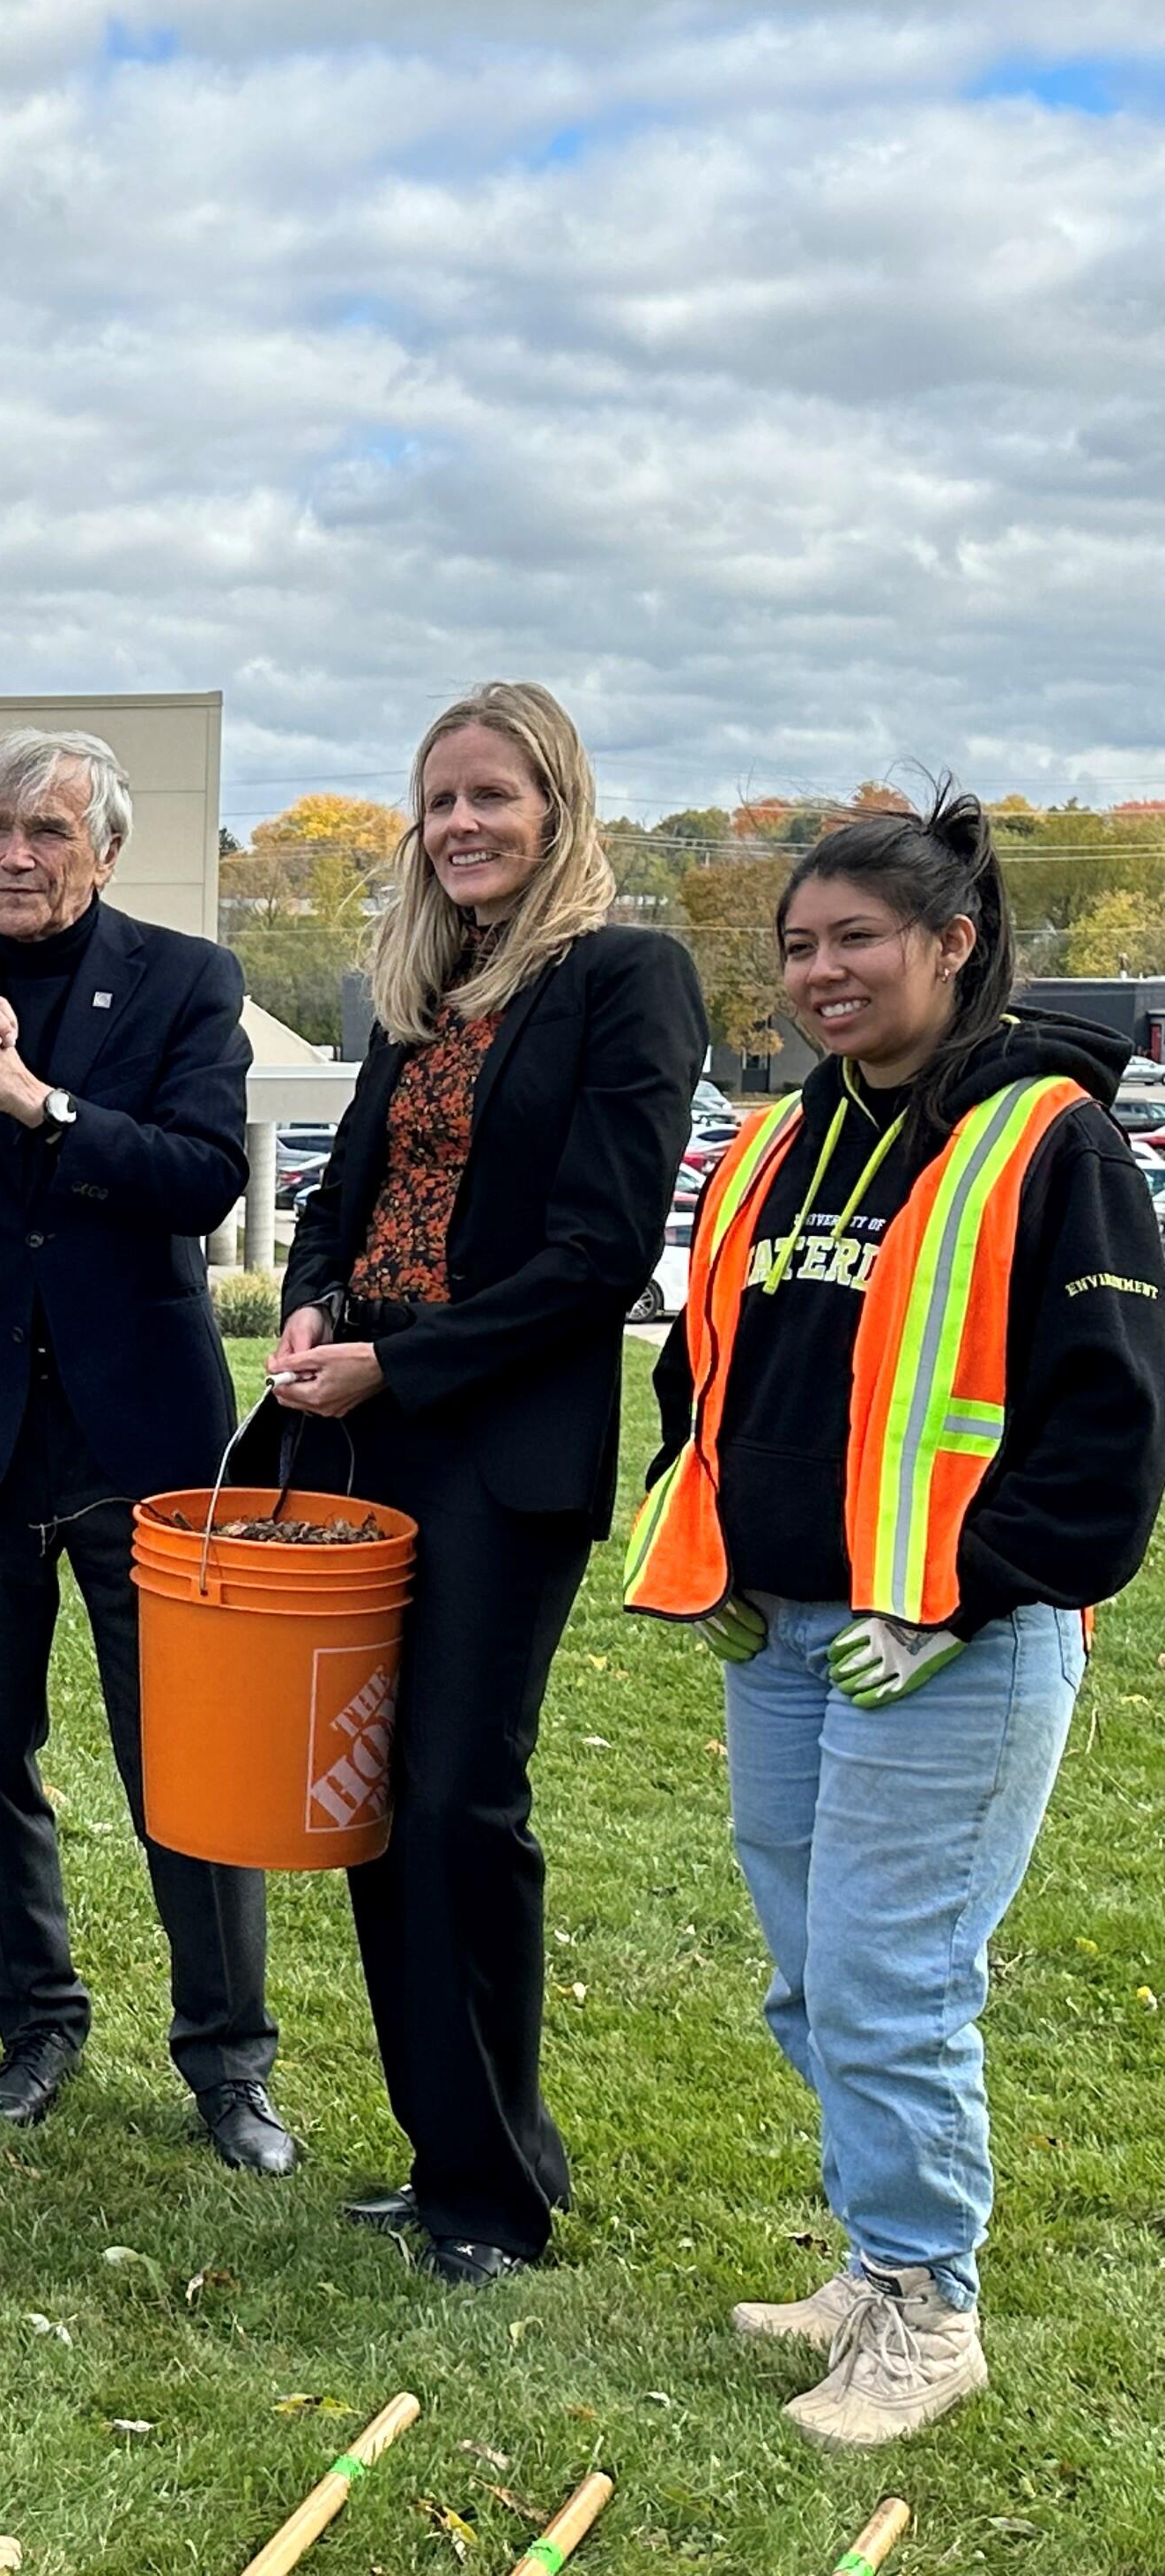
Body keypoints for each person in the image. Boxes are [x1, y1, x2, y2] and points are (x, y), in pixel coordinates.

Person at [626, 797, 1165, 2447]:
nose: (820, 971)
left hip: (948, 1642)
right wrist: (702, 1537)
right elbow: (704, 1366)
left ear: (953, 943)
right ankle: (874, 2258)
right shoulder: (782, 1141)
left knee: (888, 1977)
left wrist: (967, 1590)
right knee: (811, 1981)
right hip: (785, 1632)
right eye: (797, 945)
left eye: (856, 936)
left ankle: (932, 2307)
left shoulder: (1045, 1141)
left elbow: (1111, 1416)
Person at [268, 682, 703, 2284]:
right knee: (379, 1811)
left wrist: (411, 1357)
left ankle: (504, 2180)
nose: (460, 824)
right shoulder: (415, 989)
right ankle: (442, 2148)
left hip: (495, 1440)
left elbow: (598, 1253)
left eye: (492, 797)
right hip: (366, 1424)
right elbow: (344, 1193)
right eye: (437, 799)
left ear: (557, 807)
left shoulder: (625, 976)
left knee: (460, 1796)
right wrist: (316, 1301)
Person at [0, 729, 289, 2170]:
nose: (14, 856)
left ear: (104, 849)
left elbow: (203, 1174)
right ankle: (33, 2019)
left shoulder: (183, 982)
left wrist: (40, 1105)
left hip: (138, 1435)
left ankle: (226, 2055)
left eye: (45, 831)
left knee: (185, 1763)